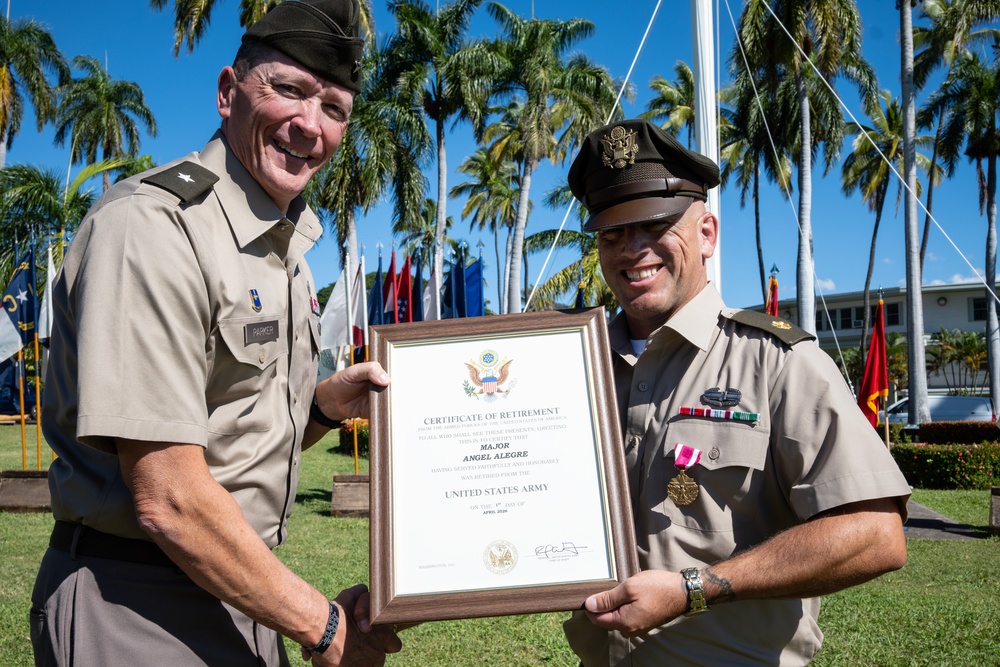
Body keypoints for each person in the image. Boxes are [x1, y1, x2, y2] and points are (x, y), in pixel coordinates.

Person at [30, 1, 401, 665]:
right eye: (288, 89)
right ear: (228, 92)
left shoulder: (281, 247)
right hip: (137, 606)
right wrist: (325, 625)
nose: (309, 125)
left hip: (242, 592)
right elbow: (167, 496)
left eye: (334, 108)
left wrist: (320, 406)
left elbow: (227, 429)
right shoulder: (155, 228)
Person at [562, 119, 911, 666]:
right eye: (611, 234)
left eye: (655, 225)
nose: (632, 249)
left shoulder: (777, 364)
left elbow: (876, 533)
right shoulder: (573, 370)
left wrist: (694, 589)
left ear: (706, 234)